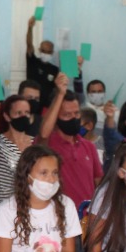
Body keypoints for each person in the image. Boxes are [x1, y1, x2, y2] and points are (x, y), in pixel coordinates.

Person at [0, 90, 59, 214]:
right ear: (7, 116)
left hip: (32, 207)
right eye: (18, 113)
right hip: (3, 208)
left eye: (26, 112)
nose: (23, 116)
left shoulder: (34, 143)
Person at [37, 77, 103, 209]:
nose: (74, 118)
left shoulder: (88, 146)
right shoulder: (48, 145)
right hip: (58, 216)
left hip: (85, 217)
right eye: (67, 115)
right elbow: (44, 133)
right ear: (56, 117)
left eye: (77, 113)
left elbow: (98, 182)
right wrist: (60, 94)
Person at [25, 16, 82, 104]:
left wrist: (77, 66)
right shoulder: (32, 61)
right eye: (43, 51)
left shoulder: (54, 69)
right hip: (30, 101)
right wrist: (30, 28)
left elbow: (60, 85)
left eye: (48, 52)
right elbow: (29, 44)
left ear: (52, 53)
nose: (46, 53)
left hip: (47, 104)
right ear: (40, 50)